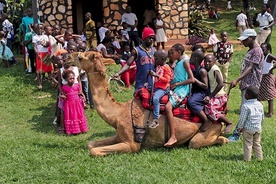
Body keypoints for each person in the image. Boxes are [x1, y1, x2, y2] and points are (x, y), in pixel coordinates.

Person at [228, 29, 264, 142]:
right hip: (247, 84)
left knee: (245, 110)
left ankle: (237, 134)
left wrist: (237, 79)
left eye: (245, 40)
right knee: (246, 110)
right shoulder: (251, 49)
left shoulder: (257, 51)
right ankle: (249, 131)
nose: (242, 42)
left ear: (252, 38)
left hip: (252, 86)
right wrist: (242, 82)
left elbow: (250, 68)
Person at [164, 43, 195, 147]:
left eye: (173, 53)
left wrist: (178, 84)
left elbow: (192, 79)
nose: (171, 55)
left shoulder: (185, 62)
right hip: (176, 88)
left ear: (179, 52)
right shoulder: (177, 62)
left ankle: (173, 136)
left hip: (182, 90)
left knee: (168, 107)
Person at [114, 27, 156, 93]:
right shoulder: (136, 50)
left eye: (152, 38)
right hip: (141, 84)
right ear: (144, 38)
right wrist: (118, 73)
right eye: (149, 38)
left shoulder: (154, 50)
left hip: (152, 83)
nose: (151, 40)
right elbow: (128, 64)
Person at [204, 54, 233, 134]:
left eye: (209, 61)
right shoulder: (208, 68)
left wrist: (210, 96)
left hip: (219, 95)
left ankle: (229, 123)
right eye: (205, 61)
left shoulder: (215, 70)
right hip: (214, 94)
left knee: (210, 109)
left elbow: (221, 84)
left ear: (214, 61)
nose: (207, 63)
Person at [236, 86, 264, 162]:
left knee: (248, 144)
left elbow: (242, 118)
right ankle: (259, 157)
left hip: (248, 129)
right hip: (258, 128)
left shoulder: (245, 106)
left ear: (247, 95)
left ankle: (247, 159)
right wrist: (260, 125)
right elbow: (262, 116)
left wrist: (240, 127)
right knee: (257, 143)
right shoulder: (260, 104)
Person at [147, 49, 173, 128]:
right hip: (157, 86)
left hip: (163, 88)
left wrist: (156, 75)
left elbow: (167, 80)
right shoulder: (159, 66)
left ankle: (156, 119)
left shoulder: (167, 68)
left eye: (156, 58)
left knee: (155, 99)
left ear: (162, 59)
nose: (154, 60)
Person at [187, 50, 210, 132]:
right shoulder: (194, 69)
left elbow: (205, 86)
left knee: (191, 102)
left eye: (191, 56)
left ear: (196, 59)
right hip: (195, 91)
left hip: (202, 92)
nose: (190, 58)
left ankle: (206, 120)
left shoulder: (202, 71)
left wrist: (194, 79)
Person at [60, 70, 89, 135]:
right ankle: (72, 130)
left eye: (73, 78)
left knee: (79, 115)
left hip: (77, 104)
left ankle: (81, 129)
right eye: (70, 78)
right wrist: (62, 96)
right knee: (72, 116)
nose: (72, 80)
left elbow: (81, 93)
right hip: (69, 105)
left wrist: (83, 97)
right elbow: (62, 95)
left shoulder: (77, 85)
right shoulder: (64, 87)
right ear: (66, 79)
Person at [32, 23, 53, 89]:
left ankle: (51, 81)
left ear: (43, 29)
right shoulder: (34, 37)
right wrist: (37, 53)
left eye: (41, 28)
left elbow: (48, 44)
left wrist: (45, 45)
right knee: (39, 70)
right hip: (39, 54)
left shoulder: (46, 36)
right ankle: (39, 84)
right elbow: (35, 47)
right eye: (38, 28)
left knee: (49, 68)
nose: (39, 30)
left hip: (46, 54)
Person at [258, 43, 276, 118]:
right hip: (263, 77)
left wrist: (271, 68)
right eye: (261, 49)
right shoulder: (263, 56)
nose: (261, 51)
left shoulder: (269, 56)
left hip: (268, 77)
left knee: (269, 95)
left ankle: (270, 112)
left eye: (263, 49)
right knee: (261, 93)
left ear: (268, 49)